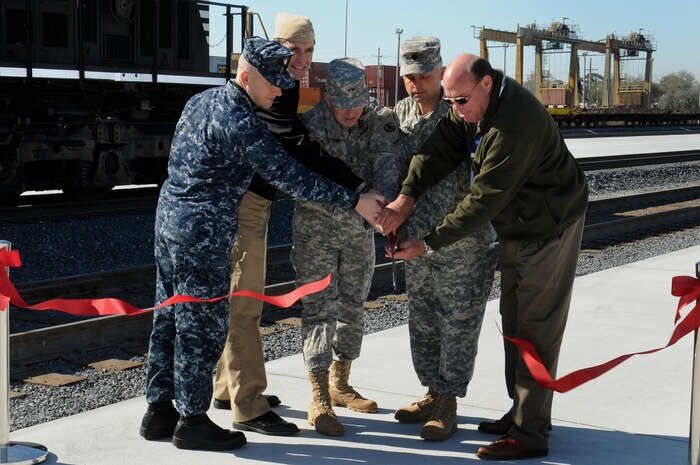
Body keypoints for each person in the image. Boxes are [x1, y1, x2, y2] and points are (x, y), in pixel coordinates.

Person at [139, 37, 385, 452]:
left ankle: (159, 411)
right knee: (202, 324)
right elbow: (287, 175)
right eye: (271, 83)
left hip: (169, 223)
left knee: (168, 317)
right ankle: (193, 421)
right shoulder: (240, 117)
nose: (279, 90)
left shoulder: (200, 100)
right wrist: (354, 198)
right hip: (203, 232)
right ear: (245, 74)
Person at [377, 54, 589, 460]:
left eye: (460, 101)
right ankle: (522, 413)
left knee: (536, 326)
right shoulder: (473, 104)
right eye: (452, 101)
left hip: (549, 227)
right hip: (522, 225)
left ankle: (531, 434)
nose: (457, 109)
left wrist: (427, 242)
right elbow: (440, 149)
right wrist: (406, 198)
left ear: (486, 83)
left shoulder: (515, 128)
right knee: (514, 320)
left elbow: (482, 202)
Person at [212, 12, 366, 438]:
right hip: (245, 203)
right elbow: (294, 144)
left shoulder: (283, 81)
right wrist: (354, 186)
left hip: (250, 201)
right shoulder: (273, 84)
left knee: (240, 297)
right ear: (274, 47)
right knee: (245, 301)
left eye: (308, 50)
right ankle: (248, 404)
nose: (300, 59)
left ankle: (227, 387)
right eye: (293, 49)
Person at [390, 37, 497, 442]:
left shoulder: (463, 113)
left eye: (424, 76)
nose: (416, 85)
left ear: (441, 74)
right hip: (415, 240)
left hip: (461, 243)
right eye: (409, 77)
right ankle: (432, 391)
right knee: (423, 319)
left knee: (459, 323)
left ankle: (449, 400)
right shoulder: (398, 114)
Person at [293, 57, 401, 436]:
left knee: (352, 307)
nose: (352, 111)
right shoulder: (311, 125)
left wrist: (384, 204)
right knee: (319, 309)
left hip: (358, 234)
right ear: (328, 97)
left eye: (358, 102)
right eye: (343, 104)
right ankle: (319, 394)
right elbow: (306, 179)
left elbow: (388, 162)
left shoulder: (376, 119)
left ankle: (341, 383)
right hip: (316, 233)